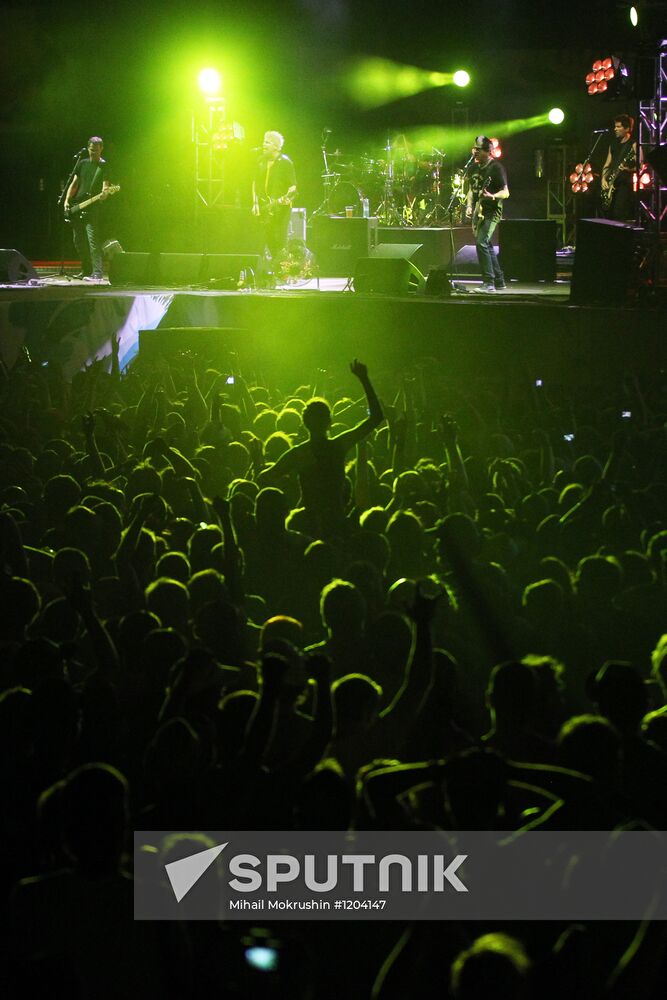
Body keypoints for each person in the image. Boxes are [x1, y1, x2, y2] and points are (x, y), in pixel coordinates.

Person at [258, 359, 383, 539]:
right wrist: (364, 379)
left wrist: (287, 505)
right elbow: (376, 417)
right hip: (337, 523)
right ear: (329, 422)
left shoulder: (298, 453)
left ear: (305, 423)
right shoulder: (337, 447)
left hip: (307, 525)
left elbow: (264, 478)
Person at [64, 136, 112, 283]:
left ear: (101, 149)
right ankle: (86, 270)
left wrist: (104, 194)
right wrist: (67, 200)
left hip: (93, 208)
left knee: (92, 240)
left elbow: (106, 186)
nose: (93, 153)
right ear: (88, 148)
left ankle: (97, 273)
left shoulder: (104, 166)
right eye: (91, 150)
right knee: (78, 241)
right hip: (78, 206)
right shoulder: (82, 163)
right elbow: (74, 183)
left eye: (96, 151)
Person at [466, 135, 509, 293]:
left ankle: (488, 283)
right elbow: (471, 189)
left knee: (481, 243)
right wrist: (469, 206)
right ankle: (499, 281)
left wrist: (492, 196)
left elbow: (506, 193)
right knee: (487, 245)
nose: (475, 152)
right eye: (474, 149)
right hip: (479, 211)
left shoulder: (496, 168)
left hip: (492, 212)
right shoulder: (473, 168)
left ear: (488, 151)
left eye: (478, 150)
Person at [252, 130, 297, 261]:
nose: (263, 144)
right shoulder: (260, 161)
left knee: (280, 239)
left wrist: (286, 198)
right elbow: (255, 182)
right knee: (268, 238)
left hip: (281, 208)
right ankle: (275, 267)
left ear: (276, 146)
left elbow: (293, 186)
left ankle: (283, 270)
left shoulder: (286, 162)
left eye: (267, 142)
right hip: (265, 206)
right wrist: (255, 203)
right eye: (263, 142)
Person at [601, 114, 637, 222]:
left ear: (627, 128)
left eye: (618, 127)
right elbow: (607, 165)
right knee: (608, 215)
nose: (615, 129)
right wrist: (603, 179)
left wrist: (629, 169)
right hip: (612, 185)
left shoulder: (633, 144)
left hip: (624, 185)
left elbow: (640, 166)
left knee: (619, 213)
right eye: (615, 126)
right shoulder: (613, 144)